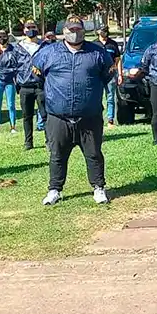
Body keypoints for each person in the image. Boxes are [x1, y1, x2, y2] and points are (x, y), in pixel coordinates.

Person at [33, 16, 113, 205]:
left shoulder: (98, 53)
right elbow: (37, 76)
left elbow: (107, 75)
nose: (74, 33)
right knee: (57, 155)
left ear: (83, 31)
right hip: (58, 117)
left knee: (93, 154)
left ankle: (98, 188)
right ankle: (54, 190)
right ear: (64, 31)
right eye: (71, 30)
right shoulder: (48, 52)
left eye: (78, 30)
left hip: (89, 116)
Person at [15, 22, 46, 151]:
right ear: (24, 30)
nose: (31, 30)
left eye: (33, 27)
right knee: (27, 116)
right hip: (25, 86)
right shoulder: (18, 48)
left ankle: (49, 140)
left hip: (41, 85)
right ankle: (28, 142)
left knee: (45, 115)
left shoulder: (44, 46)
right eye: (28, 28)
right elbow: (14, 65)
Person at [0, 30, 19, 133]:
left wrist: (10, 72)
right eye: (0, 37)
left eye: (4, 36)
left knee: (11, 104)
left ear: (8, 37)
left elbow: (16, 65)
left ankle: (13, 127)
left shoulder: (13, 50)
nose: (2, 39)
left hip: (10, 80)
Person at [94, 25, 121, 128]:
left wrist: (119, 74)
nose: (104, 33)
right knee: (97, 98)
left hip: (110, 75)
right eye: (102, 31)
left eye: (105, 31)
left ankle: (110, 120)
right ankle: (98, 120)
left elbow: (118, 59)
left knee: (110, 98)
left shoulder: (113, 44)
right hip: (97, 76)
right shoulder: (94, 44)